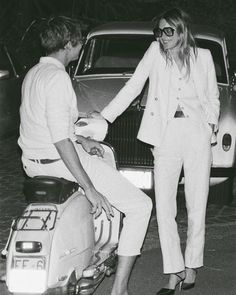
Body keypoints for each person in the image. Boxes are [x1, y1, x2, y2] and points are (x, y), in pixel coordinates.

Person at [18, 16, 152, 295]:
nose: (80, 46)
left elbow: (47, 127)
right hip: (58, 162)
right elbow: (59, 140)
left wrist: (81, 138)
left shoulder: (34, 74)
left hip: (32, 162)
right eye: (79, 42)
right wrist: (90, 188)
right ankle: (120, 288)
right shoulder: (58, 78)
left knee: (93, 162)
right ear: (68, 45)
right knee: (140, 206)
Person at [93, 8, 220, 295]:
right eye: (159, 32)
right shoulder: (154, 53)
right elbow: (132, 87)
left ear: (181, 30)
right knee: (164, 208)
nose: (162, 37)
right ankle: (173, 273)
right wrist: (103, 118)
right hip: (165, 137)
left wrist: (209, 127)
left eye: (167, 31)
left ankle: (191, 266)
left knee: (196, 205)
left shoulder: (203, 57)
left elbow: (213, 97)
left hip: (196, 135)